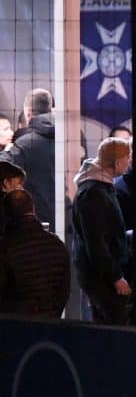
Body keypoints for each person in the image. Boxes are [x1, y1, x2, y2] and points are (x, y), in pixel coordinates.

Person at [71, 138, 132, 325]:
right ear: (117, 163)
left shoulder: (101, 187)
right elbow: (95, 241)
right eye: (127, 158)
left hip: (102, 272)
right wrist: (115, 277)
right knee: (114, 325)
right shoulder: (93, 193)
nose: (129, 162)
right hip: (100, 276)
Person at [0, 189, 70, 318]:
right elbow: (64, 290)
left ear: (6, 214)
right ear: (33, 209)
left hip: (13, 327)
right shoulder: (57, 244)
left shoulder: (5, 247)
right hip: (50, 324)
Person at [1, 89, 56, 227]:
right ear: (51, 109)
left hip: (34, 222)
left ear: (28, 111)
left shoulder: (24, 144)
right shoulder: (68, 138)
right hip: (66, 221)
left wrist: (7, 153)